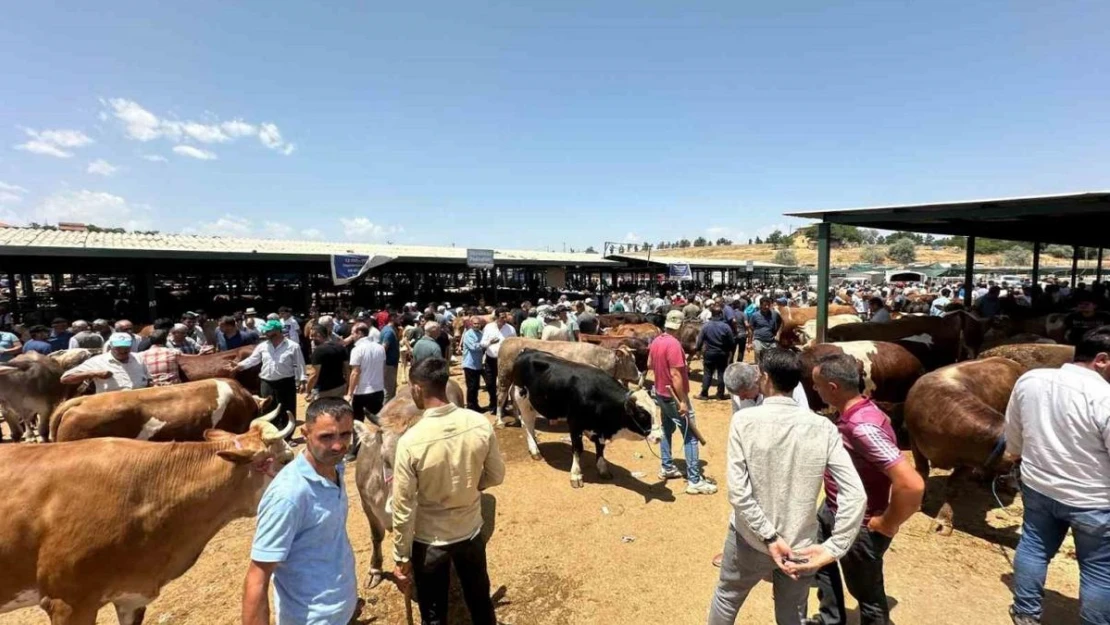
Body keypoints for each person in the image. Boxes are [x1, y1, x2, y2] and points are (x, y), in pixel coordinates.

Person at [707, 348, 866, 625]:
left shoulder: (744, 422)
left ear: (765, 377)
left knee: (727, 597)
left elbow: (739, 493)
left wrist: (769, 537)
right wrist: (834, 548)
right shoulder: (824, 427)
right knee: (793, 613)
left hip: (750, 540)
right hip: (801, 544)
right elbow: (855, 494)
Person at [808, 353, 925, 625]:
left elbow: (911, 484)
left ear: (833, 387)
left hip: (858, 522)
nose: (815, 390)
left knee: (867, 594)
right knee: (822, 566)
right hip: (835, 508)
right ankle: (830, 619)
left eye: (818, 385)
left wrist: (887, 522)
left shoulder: (862, 427)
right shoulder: (860, 413)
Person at [1004, 326, 1110, 625]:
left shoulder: (1032, 379)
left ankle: (1026, 612)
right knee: (1100, 569)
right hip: (1094, 500)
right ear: (1101, 359)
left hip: (1038, 485)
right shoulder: (1105, 398)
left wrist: (1015, 454)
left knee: (1034, 547)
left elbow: (1013, 431)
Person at [391, 357, 505, 625]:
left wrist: (400, 556)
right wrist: (470, 485)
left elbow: (403, 507)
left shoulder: (410, 441)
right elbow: (496, 476)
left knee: (433, 612)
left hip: (430, 541)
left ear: (417, 388)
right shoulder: (478, 422)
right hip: (471, 531)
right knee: (479, 598)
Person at [243, 398, 358, 625]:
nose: (338, 445)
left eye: (345, 434)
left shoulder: (335, 466)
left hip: (342, 608)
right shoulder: (288, 496)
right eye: (326, 437)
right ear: (305, 433)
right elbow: (257, 577)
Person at [650, 310, 717, 495]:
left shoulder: (657, 341)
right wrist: (683, 401)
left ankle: (667, 466)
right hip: (674, 396)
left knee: (666, 428)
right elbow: (676, 375)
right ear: (680, 326)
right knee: (690, 435)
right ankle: (694, 480)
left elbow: (649, 363)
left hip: (660, 392)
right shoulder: (674, 345)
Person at [235, 320, 306, 436]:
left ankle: (287, 437)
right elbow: (253, 359)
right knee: (268, 409)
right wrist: (240, 366)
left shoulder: (293, 346)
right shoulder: (262, 346)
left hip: (286, 382)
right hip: (266, 382)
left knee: (287, 409)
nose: (265, 332)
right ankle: (271, 434)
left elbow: (300, 364)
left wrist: (303, 380)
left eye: (268, 330)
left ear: (277, 331)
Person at [61, 332, 151, 392]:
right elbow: (65, 379)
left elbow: (149, 380)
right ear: (110, 346)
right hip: (111, 406)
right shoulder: (97, 362)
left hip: (139, 405)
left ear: (131, 346)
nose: (123, 351)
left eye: (126, 347)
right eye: (118, 348)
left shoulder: (139, 358)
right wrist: (94, 373)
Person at [480, 310, 516, 415]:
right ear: (496, 317)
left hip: (506, 361)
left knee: (504, 385)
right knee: (490, 384)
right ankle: (493, 404)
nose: (504, 319)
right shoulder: (488, 327)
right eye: (502, 317)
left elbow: (514, 344)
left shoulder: (511, 329)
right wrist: (490, 342)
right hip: (491, 359)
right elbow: (482, 343)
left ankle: (502, 407)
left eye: (505, 317)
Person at [696, 306, 735, 400]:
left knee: (707, 373)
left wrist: (698, 350)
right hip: (722, 353)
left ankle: (704, 394)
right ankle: (720, 394)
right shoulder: (726, 327)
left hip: (709, 353)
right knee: (721, 373)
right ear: (721, 314)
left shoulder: (706, 326)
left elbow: (699, 341)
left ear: (711, 314)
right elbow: (732, 342)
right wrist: (729, 351)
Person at [306, 323, 347, 401]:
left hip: (323, 390)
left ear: (318, 335)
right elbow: (346, 369)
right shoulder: (340, 348)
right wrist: (347, 385)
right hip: (340, 386)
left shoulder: (318, 351)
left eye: (312, 335)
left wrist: (308, 390)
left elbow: (314, 375)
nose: (310, 338)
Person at [462, 317, 485, 412]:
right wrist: (486, 344)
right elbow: (473, 347)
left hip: (478, 364)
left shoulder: (481, 333)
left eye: (478, 324)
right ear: (471, 324)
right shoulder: (468, 334)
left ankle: (475, 405)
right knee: (471, 387)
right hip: (470, 364)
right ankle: (471, 406)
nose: (476, 325)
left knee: (476, 386)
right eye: (475, 324)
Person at [380, 313, 402, 402]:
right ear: (392, 318)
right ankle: (384, 413)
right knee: (388, 391)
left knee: (391, 389)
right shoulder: (389, 332)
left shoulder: (390, 330)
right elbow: (384, 348)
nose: (400, 320)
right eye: (398, 318)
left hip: (390, 364)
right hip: (388, 364)